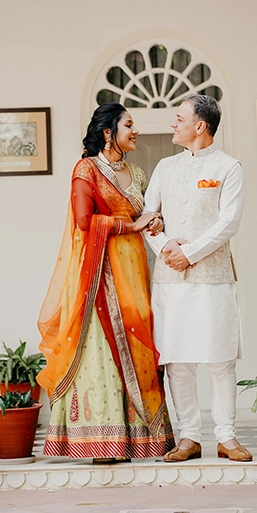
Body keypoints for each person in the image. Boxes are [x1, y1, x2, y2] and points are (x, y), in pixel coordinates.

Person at [37, 102, 175, 462]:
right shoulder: (86, 169)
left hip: (135, 273)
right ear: (107, 132)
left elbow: (147, 215)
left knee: (139, 345)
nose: (136, 130)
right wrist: (131, 225)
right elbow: (85, 221)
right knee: (101, 350)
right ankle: (104, 440)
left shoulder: (137, 173)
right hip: (98, 274)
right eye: (129, 124)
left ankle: (143, 439)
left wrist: (155, 222)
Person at [144, 94, 252, 462]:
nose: (173, 124)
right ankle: (189, 437)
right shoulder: (165, 167)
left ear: (200, 126)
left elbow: (229, 222)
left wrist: (189, 253)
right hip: (169, 278)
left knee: (220, 358)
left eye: (179, 118)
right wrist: (165, 246)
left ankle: (227, 437)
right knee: (177, 360)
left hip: (213, 276)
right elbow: (148, 216)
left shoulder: (228, 167)